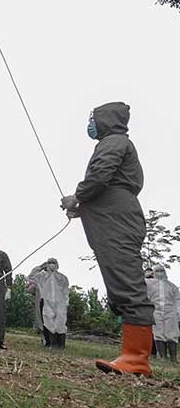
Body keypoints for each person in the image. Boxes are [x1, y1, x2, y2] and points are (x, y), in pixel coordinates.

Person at [61, 102, 154, 375]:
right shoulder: (116, 142)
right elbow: (106, 184)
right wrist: (85, 207)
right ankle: (132, 354)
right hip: (112, 217)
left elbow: (100, 175)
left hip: (117, 220)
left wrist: (78, 196)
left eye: (94, 119)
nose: (91, 125)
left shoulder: (113, 141)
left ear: (106, 120)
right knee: (120, 283)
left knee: (127, 282)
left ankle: (137, 358)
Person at [28, 258, 70, 349]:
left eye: (53, 263)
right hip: (46, 302)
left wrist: (66, 302)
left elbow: (66, 291)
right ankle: (49, 343)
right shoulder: (42, 276)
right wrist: (40, 267)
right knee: (47, 322)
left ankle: (61, 345)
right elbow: (30, 277)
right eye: (50, 263)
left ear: (57, 265)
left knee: (60, 323)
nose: (52, 265)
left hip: (60, 303)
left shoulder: (62, 278)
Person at [146, 265, 179, 362]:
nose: (160, 272)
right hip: (156, 310)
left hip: (170, 312)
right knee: (158, 333)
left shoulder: (172, 286)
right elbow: (139, 282)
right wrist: (147, 275)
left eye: (161, 270)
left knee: (172, 334)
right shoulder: (149, 283)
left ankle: (173, 358)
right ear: (153, 272)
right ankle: (162, 357)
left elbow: (177, 300)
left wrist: (178, 313)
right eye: (157, 271)